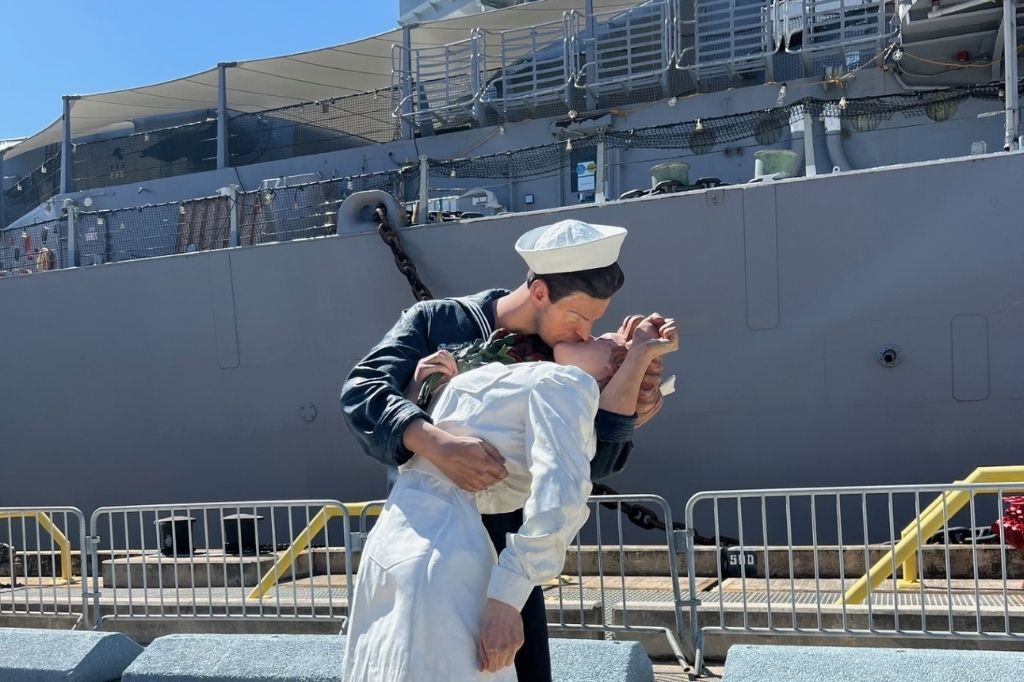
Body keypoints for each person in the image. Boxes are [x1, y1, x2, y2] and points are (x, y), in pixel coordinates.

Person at [340, 218, 664, 679]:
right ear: (539, 293)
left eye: (594, 321)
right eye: (578, 317)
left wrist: (624, 405)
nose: (586, 332)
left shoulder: (567, 361)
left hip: (509, 559)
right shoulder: (437, 322)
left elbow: (591, 467)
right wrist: (434, 441)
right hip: (426, 539)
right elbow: (362, 390)